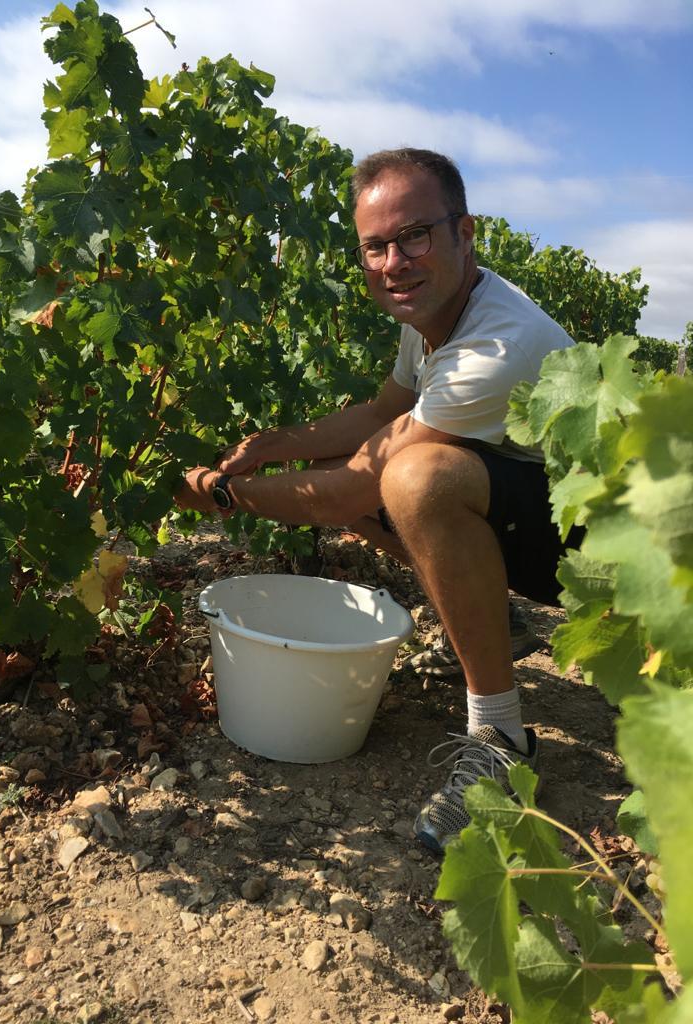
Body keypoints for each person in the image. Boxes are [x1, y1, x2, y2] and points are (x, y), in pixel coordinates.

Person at [173, 148, 579, 855]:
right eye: (376, 246)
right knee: (371, 465)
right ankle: (497, 618)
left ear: (465, 232)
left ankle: (501, 737)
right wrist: (272, 444)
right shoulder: (429, 310)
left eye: (416, 235)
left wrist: (226, 496)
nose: (395, 261)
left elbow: (353, 491)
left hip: (581, 550)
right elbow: (378, 414)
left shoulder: (495, 343)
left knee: (414, 480)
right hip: (523, 506)